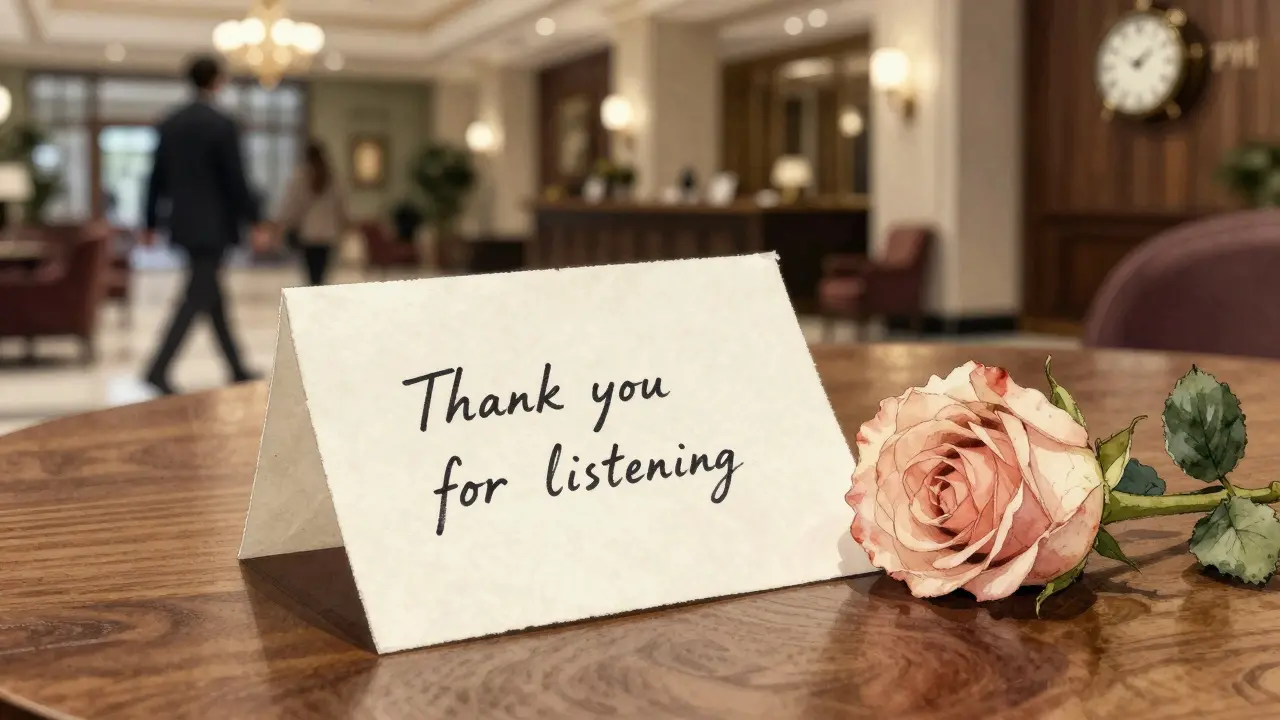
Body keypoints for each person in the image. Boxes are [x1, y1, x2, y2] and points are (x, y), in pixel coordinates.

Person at [141, 54, 272, 396]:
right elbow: (235, 179)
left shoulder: (170, 123)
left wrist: (150, 220)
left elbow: (155, 177)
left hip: (183, 222)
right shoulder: (221, 123)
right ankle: (157, 369)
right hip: (213, 225)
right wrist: (255, 220)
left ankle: (236, 367)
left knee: (212, 296)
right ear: (218, 80)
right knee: (198, 295)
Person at [276, 140, 349, 286]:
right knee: (321, 276)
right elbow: (342, 207)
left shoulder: (300, 178)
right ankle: (318, 300)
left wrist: (283, 222)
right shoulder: (333, 178)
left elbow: (292, 206)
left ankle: (314, 300)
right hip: (328, 235)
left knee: (312, 277)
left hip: (309, 235)